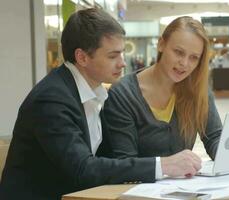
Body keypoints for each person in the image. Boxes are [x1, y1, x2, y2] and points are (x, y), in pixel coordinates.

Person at [0, 9, 194, 200]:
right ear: (82, 57)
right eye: (112, 56)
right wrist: (163, 166)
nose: (122, 63)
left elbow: (108, 160)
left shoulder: (93, 93)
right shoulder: (52, 99)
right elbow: (82, 168)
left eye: (122, 54)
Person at [104, 16, 222, 179]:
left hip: (182, 190)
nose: (185, 63)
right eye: (178, 52)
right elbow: (125, 162)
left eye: (193, 57)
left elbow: (214, 137)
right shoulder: (123, 94)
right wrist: (165, 165)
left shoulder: (197, 90)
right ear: (161, 44)